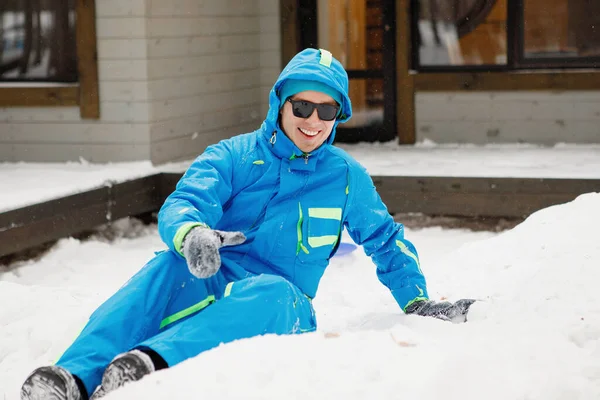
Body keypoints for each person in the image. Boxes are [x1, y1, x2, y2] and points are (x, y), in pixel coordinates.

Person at [20, 48, 474, 400]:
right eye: (302, 106)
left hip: (283, 304)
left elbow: (385, 240)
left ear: (338, 116)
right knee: (165, 268)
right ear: (280, 103)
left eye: (327, 110)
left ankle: (147, 367)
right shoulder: (233, 156)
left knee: (272, 291)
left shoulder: (345, 177)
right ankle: (72, 376)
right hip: (214, 275)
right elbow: (187, 200)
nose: (313, 121)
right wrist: (191, 233)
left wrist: (416, 301)